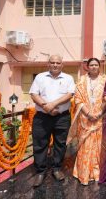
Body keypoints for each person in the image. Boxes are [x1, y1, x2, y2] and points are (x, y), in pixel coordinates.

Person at [29, 54, 75, 187]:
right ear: (48, 64)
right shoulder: (40, 77)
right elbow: (33, 94)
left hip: (62, 117)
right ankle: (40, 172)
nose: (55, 65)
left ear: (62, 64)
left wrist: (52, 105)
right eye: (52, 62)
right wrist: (46, 107)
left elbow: (69, 95)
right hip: (42, 117)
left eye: (58, 62)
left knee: (60, 144)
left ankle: (56, 169)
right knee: (40, 144)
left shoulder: (68, 78)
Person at [66, 58, 106, 185]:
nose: (94, 67)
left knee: (98, 146)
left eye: (96, 65)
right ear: (87, 67)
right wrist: (89, 114)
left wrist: (99, 113)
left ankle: (97, 173)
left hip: (100, 117)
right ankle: (83, 173)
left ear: (99, 67)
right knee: (84, 145)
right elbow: (78, 99)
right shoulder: (81, 81)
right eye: (91, 65)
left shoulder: (105, 80)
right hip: (85, 118)